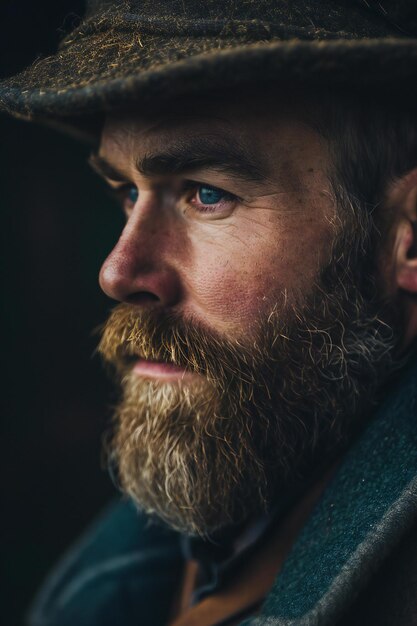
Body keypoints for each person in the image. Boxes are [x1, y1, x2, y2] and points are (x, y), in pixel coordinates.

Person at [2, 1, 417, 625]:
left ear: (406, 235)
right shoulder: (137, 570)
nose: (117, 273)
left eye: (206, 194)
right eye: (125, 192)